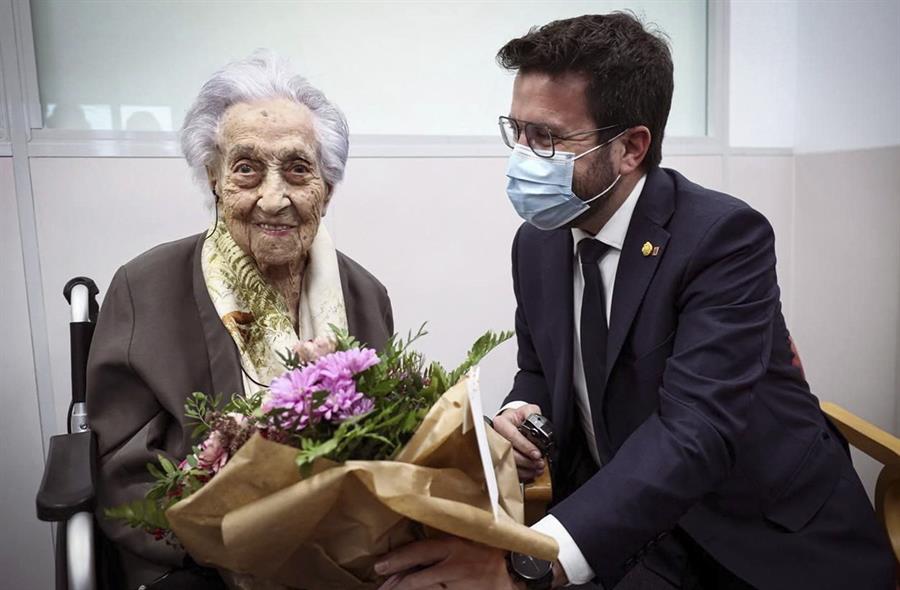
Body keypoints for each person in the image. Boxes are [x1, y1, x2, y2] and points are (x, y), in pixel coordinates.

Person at [375, 13, 895, 590]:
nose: (522, 156)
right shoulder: (538, 242)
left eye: (546, 136)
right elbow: (540, 369)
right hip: (626, 529)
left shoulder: (724, 239)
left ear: (631, 147)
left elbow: (694, 432)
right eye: (515, 130)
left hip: (759, 540)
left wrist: (530, 561)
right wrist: (523, 416)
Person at [87, 51, 393, 588]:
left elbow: (389, 449)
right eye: (246, 168)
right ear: (213, 178)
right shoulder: (144, 288)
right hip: (203, 559)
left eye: (298, 169)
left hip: (343, 554)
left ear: (328, 186)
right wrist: (232, 540)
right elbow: (125, 471)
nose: (273, 198)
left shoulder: (365, 295)